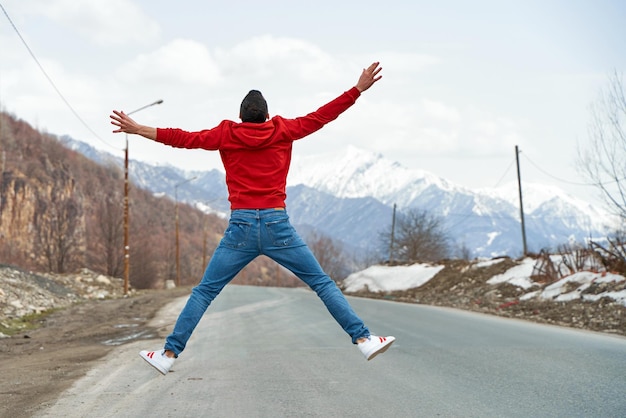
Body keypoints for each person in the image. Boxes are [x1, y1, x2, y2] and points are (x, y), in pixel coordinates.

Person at [110, 61, 395, 375]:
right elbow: (322, 115)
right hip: (278, 226)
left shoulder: (227, 134)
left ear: (241, 116)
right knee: (322, 283)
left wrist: (138, 129)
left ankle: (167, 354)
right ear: (267, 116)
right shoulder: (284, 130)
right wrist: (356, 90)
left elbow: (182, 138)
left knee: (205, 292)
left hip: (241, 229)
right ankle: (364, 338)